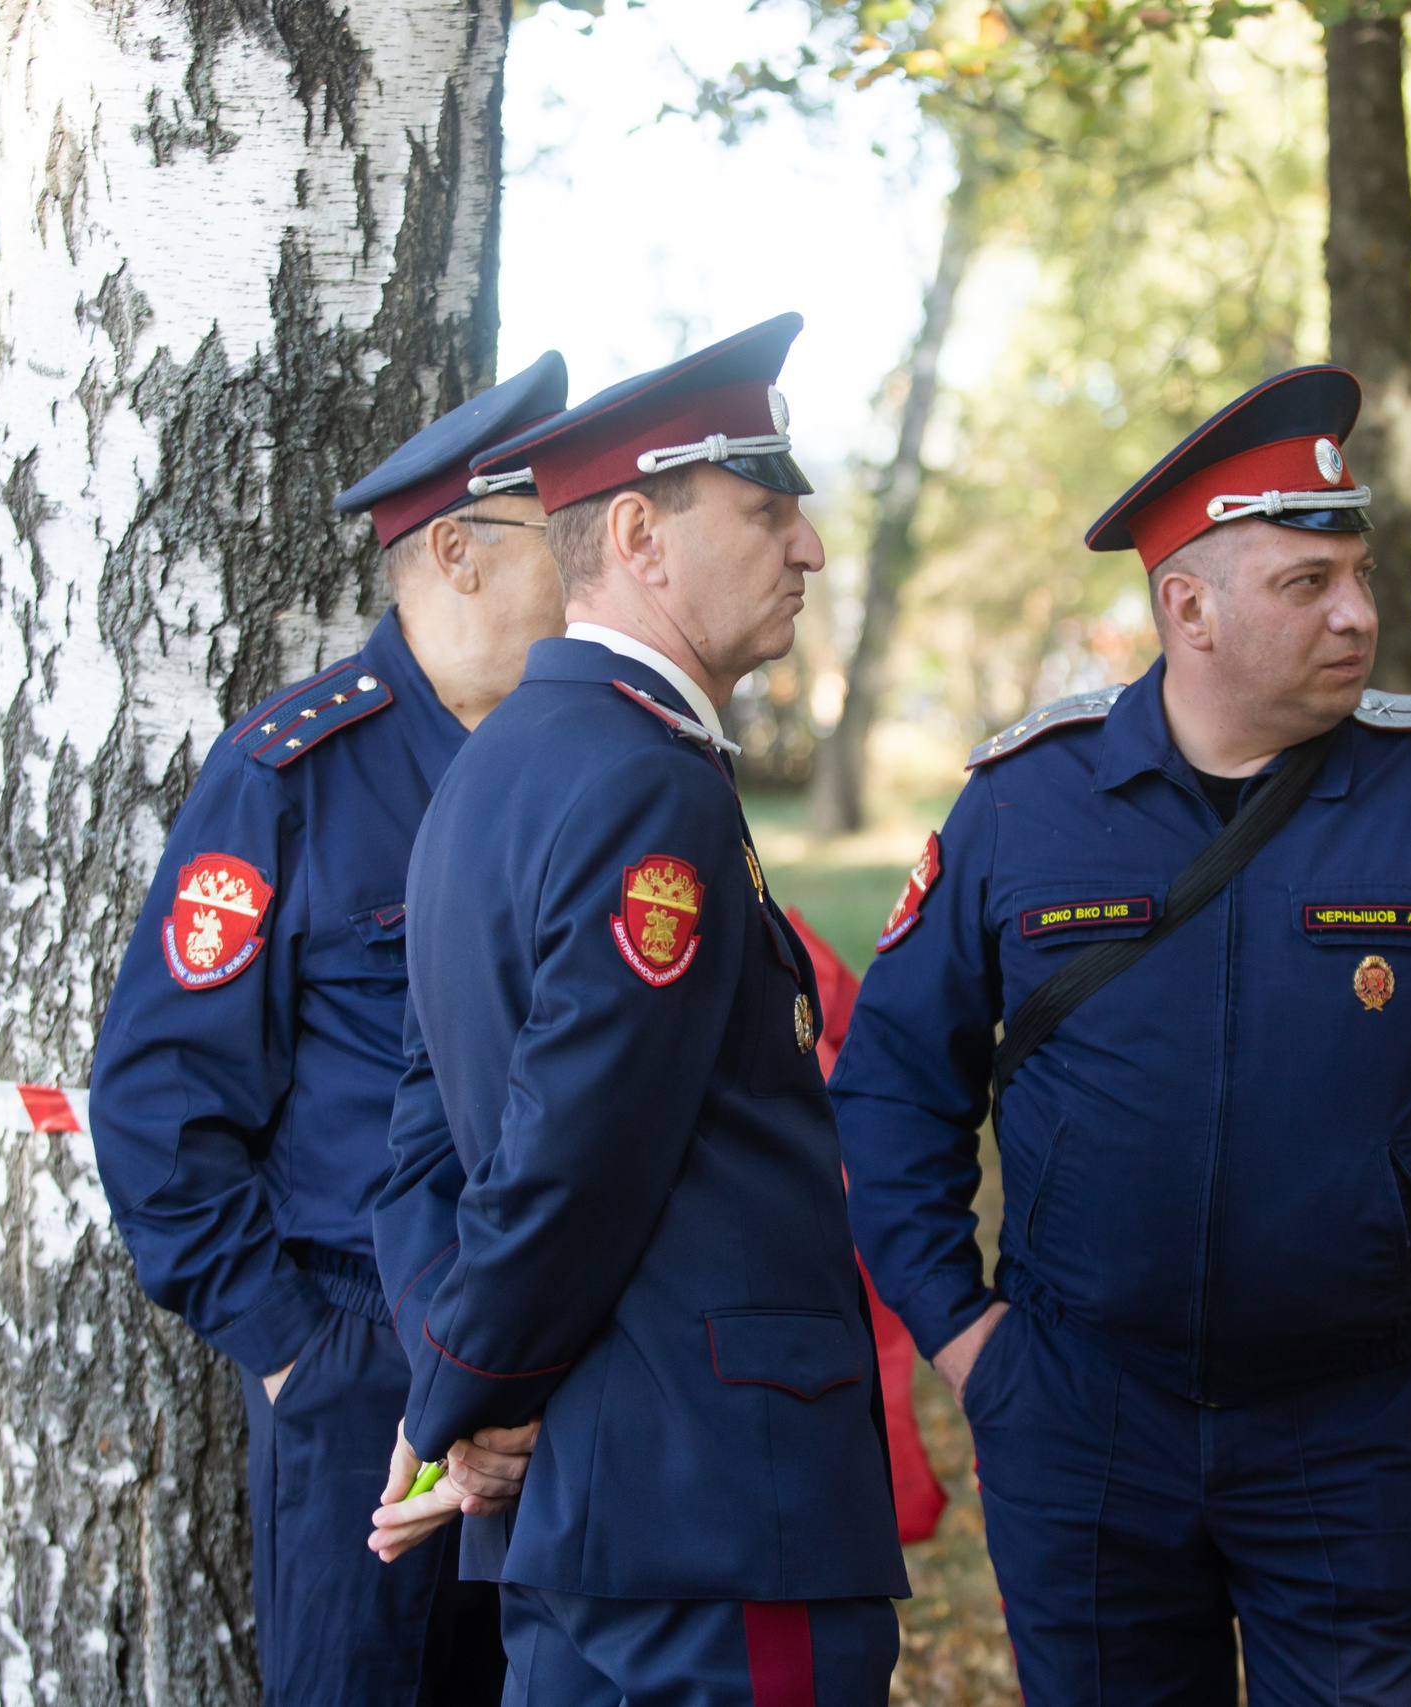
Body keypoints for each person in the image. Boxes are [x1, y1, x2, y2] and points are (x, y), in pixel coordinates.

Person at [829, 366, 1411, 1707]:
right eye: (1307, 584)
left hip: (1347, 1417)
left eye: (1360, 576)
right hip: (1075, 1416)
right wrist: (962, 1332)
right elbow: (892, 1087)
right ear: (1188, 608)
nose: (1359, 614)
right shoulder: (1024, 805)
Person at [366, 313, 908, 1707]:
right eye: (767, 509)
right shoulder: (646, 784)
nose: (811, 548)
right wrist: (460, 1401)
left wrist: (461, 1392)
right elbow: (575, 1151)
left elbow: (424, 1149)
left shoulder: (484, 777)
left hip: (583, 1521)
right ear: (640, 539)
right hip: (714, 1514)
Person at [86, 353, 576, 1707]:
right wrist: (306, 1352)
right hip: (369, 1353)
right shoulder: (289, 775)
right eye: (563, 537)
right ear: (461, 558)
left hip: (570, 1364)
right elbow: (156, 1105)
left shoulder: (594, 766)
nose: (595, 571)